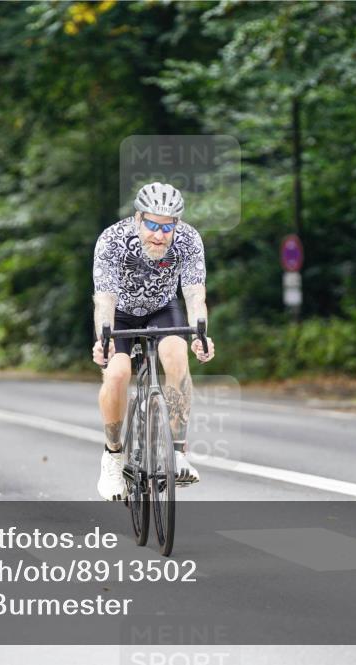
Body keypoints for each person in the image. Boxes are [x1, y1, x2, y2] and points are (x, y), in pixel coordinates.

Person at [91, 182, 215, 501]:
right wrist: (103, 338)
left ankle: (176, 451)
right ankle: (113, 456)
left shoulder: (188, 240)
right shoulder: (112, 240)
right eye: (151, 225)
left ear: (177, 225)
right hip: (119, 314)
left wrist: (200, 333)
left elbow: (194, 294)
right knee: (117, 374)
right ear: (137, 219)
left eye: (167, 227)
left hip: (162, 308)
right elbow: (104, 300)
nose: (159, 235)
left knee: (176, 358)